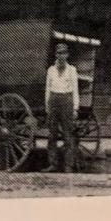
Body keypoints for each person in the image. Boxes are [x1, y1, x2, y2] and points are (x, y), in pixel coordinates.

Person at [42, 42, 78, 173]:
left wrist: (75, 108)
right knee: (52, 135)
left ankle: (68, 165)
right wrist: (47, 106)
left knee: (68, 134)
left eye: (63, 53)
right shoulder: (50, 70)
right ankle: (53, 164)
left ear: (67, 55)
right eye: (59, 53)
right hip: (53, 101)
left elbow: (75, 89)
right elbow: (47, 89)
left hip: (67, 101)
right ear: (56, 55)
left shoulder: (72, 70)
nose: (61, 56)